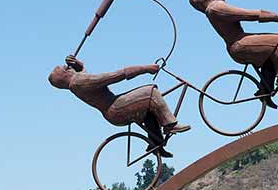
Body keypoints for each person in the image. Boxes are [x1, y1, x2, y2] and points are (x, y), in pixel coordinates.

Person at [48, 56, 190, 157]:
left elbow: (84, 75)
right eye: (65, 67)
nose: (68, 67)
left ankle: (155, 143)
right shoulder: (79, 81)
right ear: (64, 74)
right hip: (116, 108)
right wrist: (145, 68)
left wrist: (79, 66)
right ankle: (170, 125)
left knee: (148, 109)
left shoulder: (76, 84)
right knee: (150, 93)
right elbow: (116, 75)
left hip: (114, 111)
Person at [188, 0, 278, 109]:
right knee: (277, 40)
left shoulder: (212, 9)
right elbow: (250, 14)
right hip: (241, 44)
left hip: (236, 46)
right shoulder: (215, 8)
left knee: (270, 57)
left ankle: (265, 90)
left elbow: (225, 9)